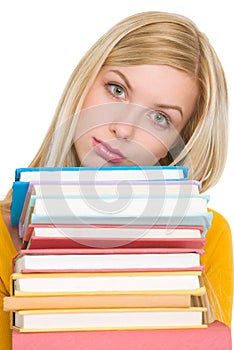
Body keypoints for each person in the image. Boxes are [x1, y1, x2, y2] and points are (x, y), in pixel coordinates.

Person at [0, 11, 233, 348]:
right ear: (84, 84)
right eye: (117, 89)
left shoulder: (210, 239)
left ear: (179, 142)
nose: (123, 128)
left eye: (159, 118)